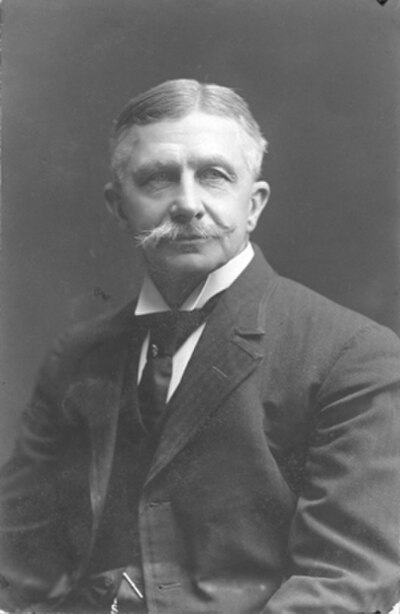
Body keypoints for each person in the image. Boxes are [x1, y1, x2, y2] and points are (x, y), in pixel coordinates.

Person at [1, 79, 400, 614]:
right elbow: (17, 555)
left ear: (253, 204)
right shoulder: (77, 356)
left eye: (214, 175)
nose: (187, 204)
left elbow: (345, 579)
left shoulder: (352, 356)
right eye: (158, 178)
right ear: (118, 206)